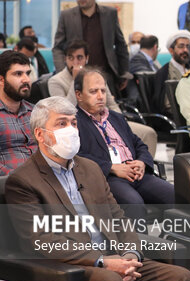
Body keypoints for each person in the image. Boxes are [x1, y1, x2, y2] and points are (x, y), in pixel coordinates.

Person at [5, 96, 190, 281]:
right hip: (75, 265)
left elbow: (117, 216)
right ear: (40, 134)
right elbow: (41, 240)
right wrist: (103, 261)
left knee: (181, 279)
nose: (71, 130)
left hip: (114, 254)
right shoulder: (23, 180)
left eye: (73, 123)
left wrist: (131, 254)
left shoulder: (91, 168)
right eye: (61, 123)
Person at [74, 68, 174, 219]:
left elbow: (138, 143)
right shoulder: (73, 121)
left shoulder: (115, 117)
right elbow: (76, 157)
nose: (100, 96)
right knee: (134, 204)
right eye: (93, 92)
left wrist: (141, 162)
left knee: (176, 195)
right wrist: (112, 168)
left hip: (136, 172)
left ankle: (177, 240)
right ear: (79, 95)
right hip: (108, 177)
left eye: (103, 90)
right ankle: (135, 243)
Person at [48, 40, 159, 157]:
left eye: (79, 58)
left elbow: (112, 104)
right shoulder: (56, 81)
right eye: (71, 58)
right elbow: (63, 110)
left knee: (148, 133)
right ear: (65, 59)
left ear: (87, 58)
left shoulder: (95, 77)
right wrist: (76, 80)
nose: (75, 62)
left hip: (107, 119)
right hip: (82, 124)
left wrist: (120, 123)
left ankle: (142, 167)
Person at [53, 0, 131, 97]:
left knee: (109, 111)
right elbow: (58, 48)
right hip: (77, 75)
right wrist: (63, 71)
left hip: (105, 74)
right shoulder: (67, 16)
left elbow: (120, 44)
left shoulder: (109, 14)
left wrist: (124, 72)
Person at [0, 51, 37, 174]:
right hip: (9, 186)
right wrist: (18, 179)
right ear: (1, 80)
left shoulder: (35, 111)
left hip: (45, 181)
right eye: (18, 74)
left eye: (28, 73)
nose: (26, 79)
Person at [153, 30, 190, 116]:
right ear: (171, 50)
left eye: (188, 46)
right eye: (181, 46)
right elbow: (166, 106)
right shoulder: (164, 73)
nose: (185, 50)